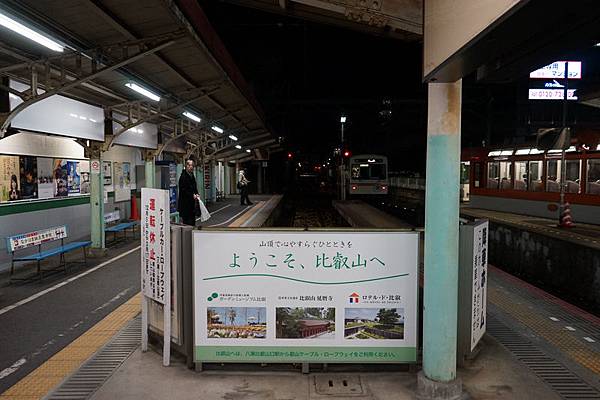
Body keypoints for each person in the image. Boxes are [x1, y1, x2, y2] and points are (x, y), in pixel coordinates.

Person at [178, 158, 200, 226]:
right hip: (185, 204)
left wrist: (197, 194)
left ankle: (191, 234)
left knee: (192, 221)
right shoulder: (183, 177)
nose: (191, 167)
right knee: (187, 222)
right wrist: (192, 195)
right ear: (186, 166)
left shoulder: (191, 175)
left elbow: (194, 187)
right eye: (189, 165)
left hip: (191, 203)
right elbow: (183, 190)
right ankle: (188, 235)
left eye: (192, 166)